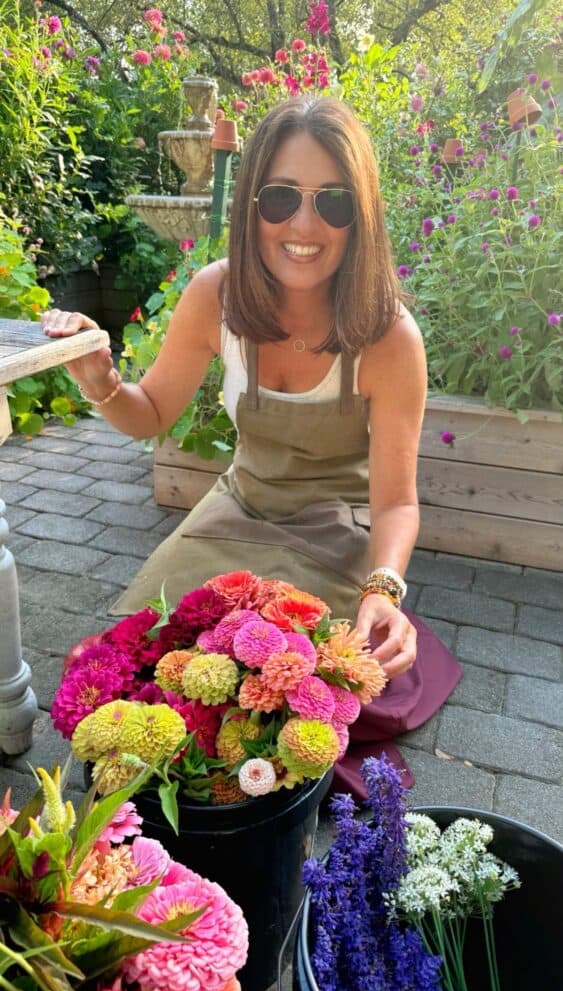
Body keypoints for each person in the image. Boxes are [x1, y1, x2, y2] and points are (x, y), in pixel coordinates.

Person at [42, 96, 462, 798]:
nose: (303, 224)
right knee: (131, 665)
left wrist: (383, 589)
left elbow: (394, 502)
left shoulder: (388, 337)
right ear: (250, 205)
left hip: (333, 533)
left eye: (332, 202)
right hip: (235, 511)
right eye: (279, 197)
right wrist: (103, 380)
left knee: (273, 698)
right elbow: (149, 415)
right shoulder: (217, 297)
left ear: (360, 215)